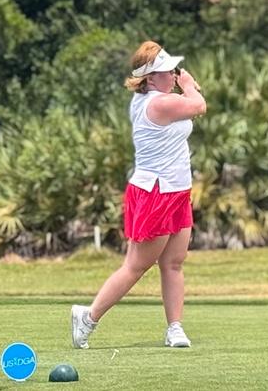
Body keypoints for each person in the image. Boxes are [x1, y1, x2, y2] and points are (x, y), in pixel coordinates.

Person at [71, 40, 207, 349]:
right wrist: (189, 86)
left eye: (174, 70)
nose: (174, 74)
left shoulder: (158, 99)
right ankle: (88, 317)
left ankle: (175, 328)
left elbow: (189, 109)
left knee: (174, 263)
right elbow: (199, 107)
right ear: (150, 78)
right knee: (136, 266)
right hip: (156, 192)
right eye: (167, 71)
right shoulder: (157, 104)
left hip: (176, 189)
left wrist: (185, 91)